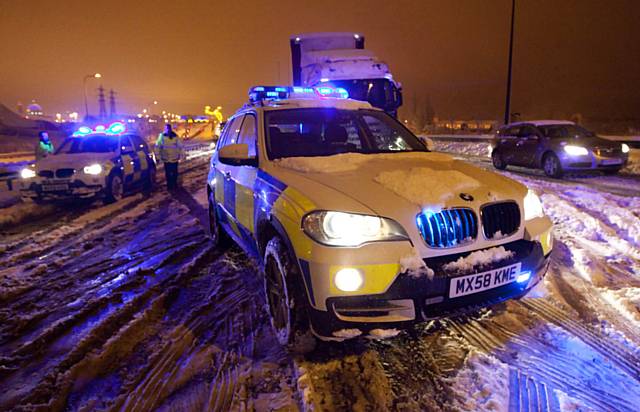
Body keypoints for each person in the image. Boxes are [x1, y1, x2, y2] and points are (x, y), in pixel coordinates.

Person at [155, 124, 182, 190]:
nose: (167, 130)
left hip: (174, 158)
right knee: (168, 173)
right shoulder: (162, 136)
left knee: (174, 173)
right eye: (166, 129)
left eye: (168, 128)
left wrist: (182, 155)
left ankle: (174, 185)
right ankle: (170, 185)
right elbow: (157, 147)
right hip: (167, 159)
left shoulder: (175, 136)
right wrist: (157, 156)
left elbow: (180, 147)